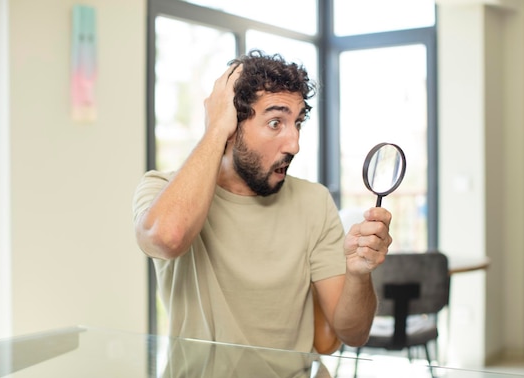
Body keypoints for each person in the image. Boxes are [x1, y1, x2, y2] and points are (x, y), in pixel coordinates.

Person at [132, 50, 393, 353]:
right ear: (231, 125)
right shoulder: (160, 188)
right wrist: (216, 130)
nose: (294, 143)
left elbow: (354, 333)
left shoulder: (314, 201)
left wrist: (359, 275)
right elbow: (167, 238)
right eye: (275, 123)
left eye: (298, 123)